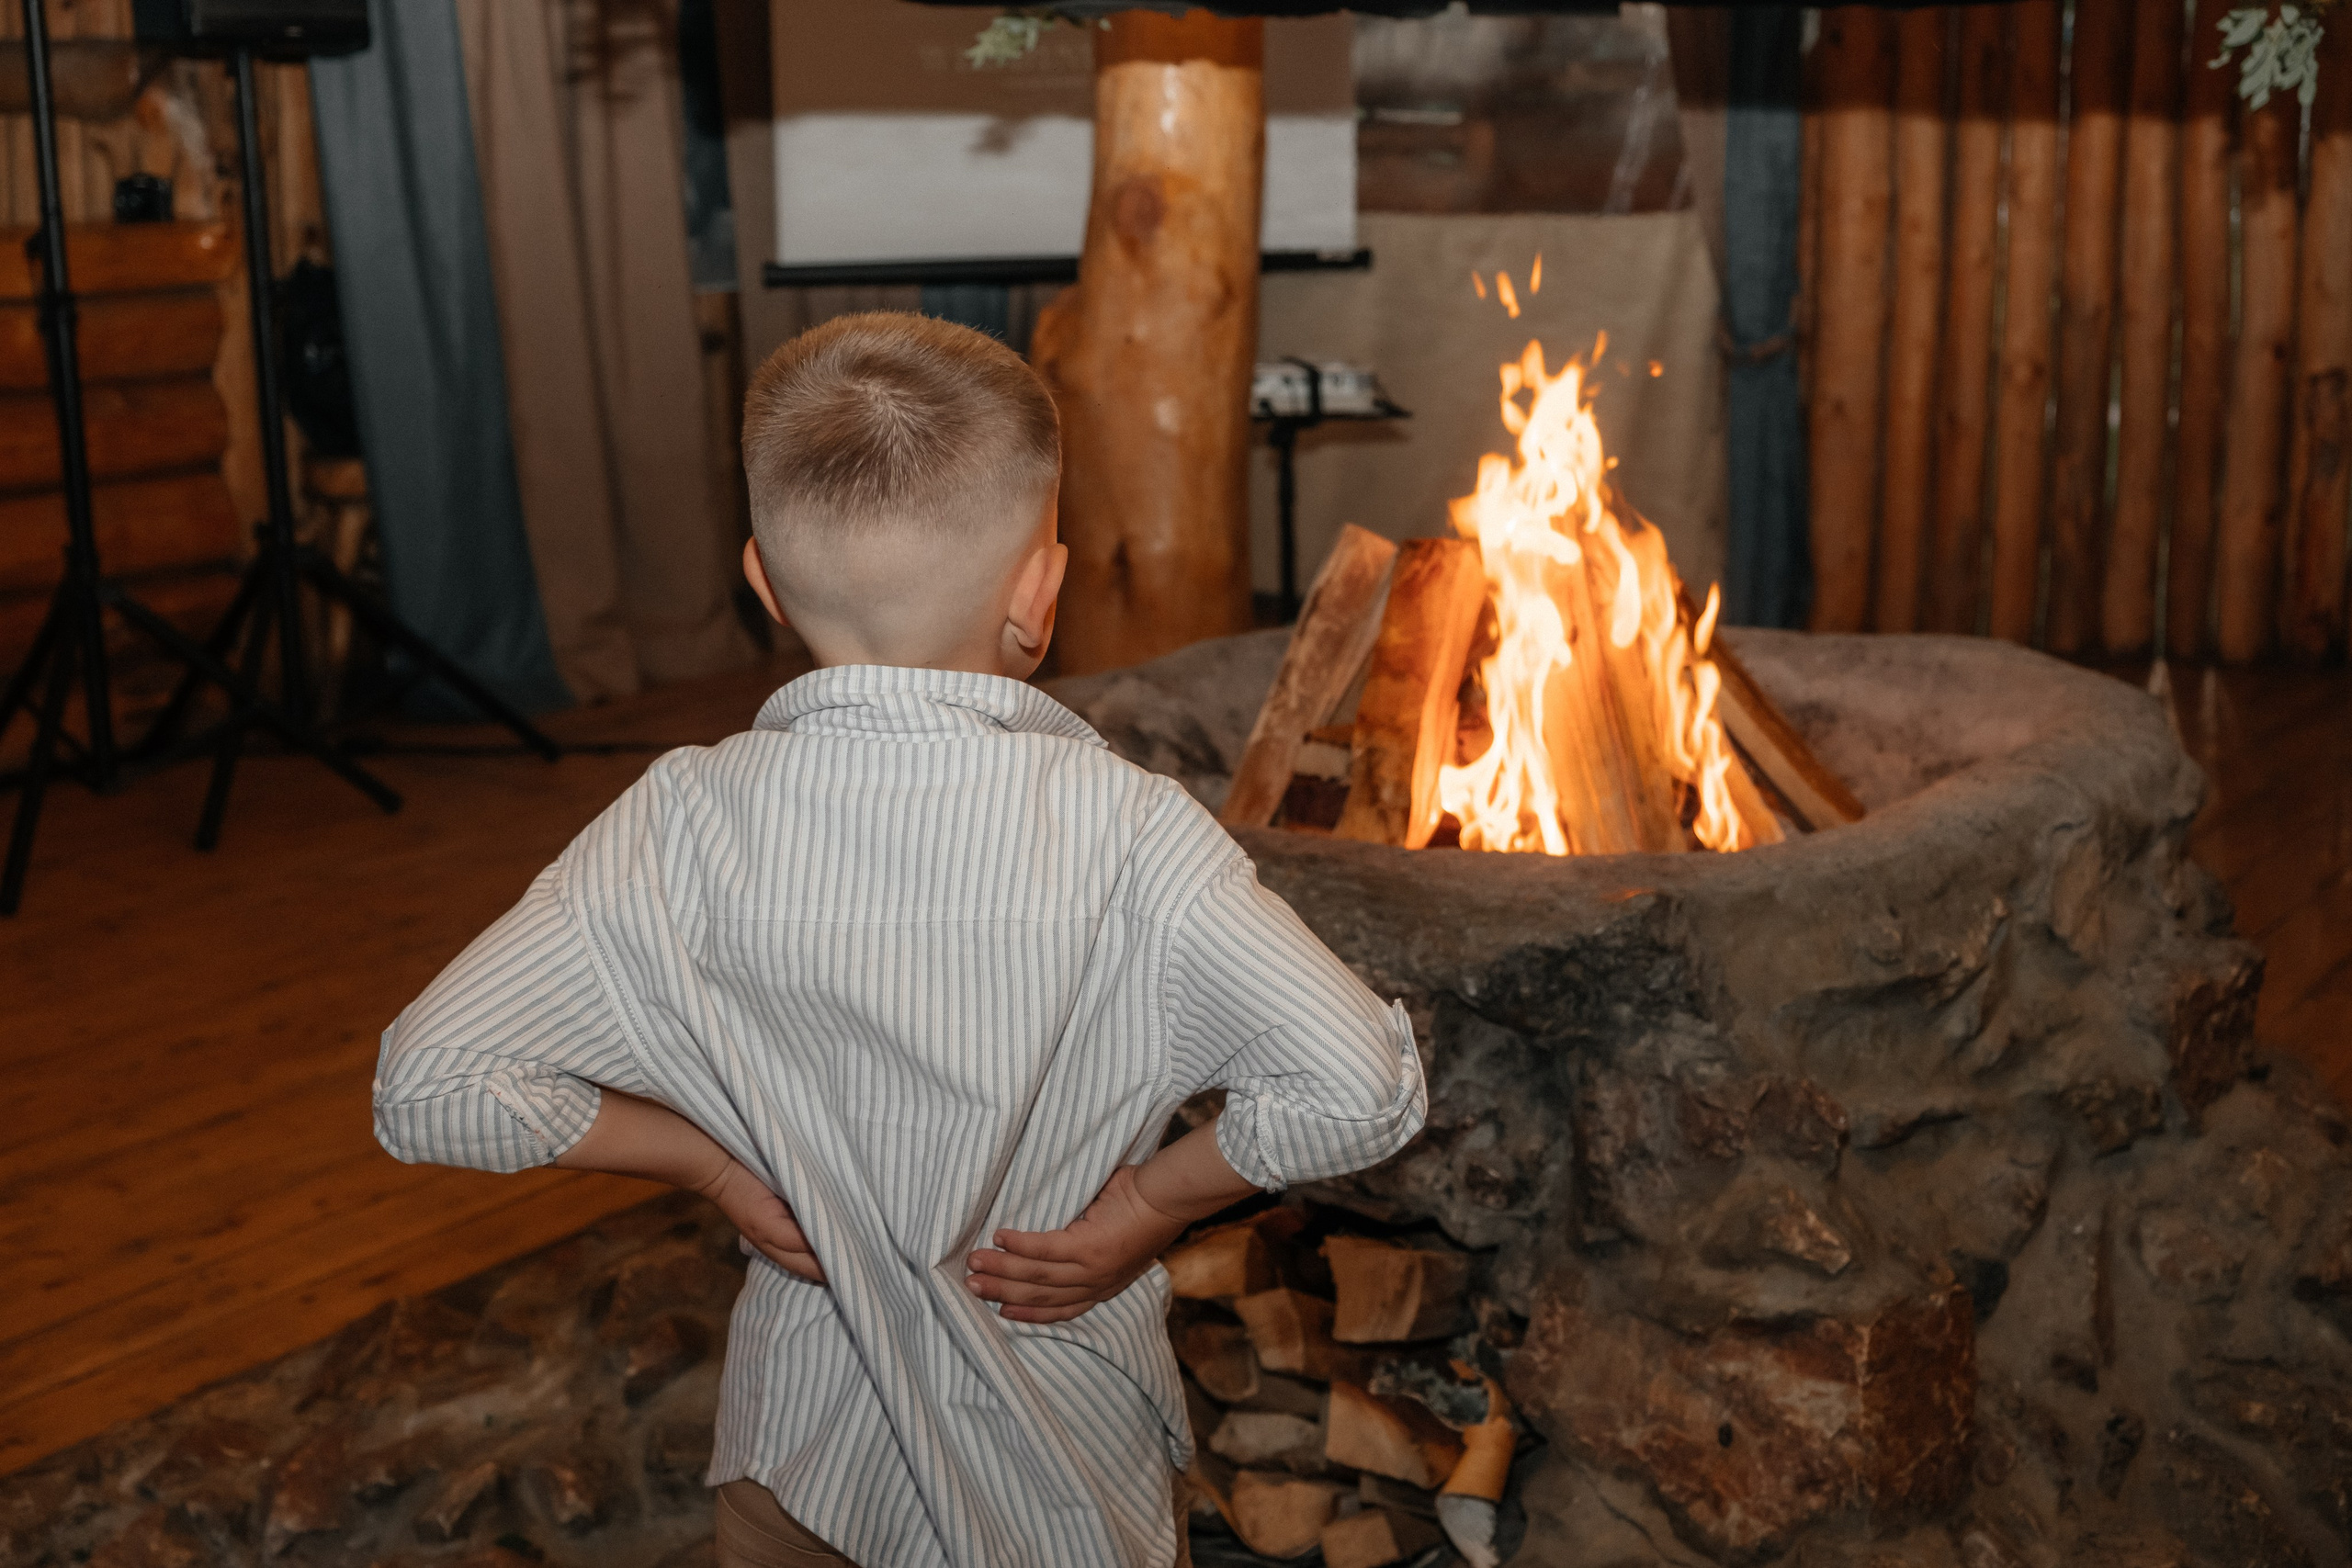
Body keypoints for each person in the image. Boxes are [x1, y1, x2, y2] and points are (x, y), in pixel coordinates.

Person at [372, 312, 1426, 1568]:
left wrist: (712, 1167)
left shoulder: (679, 824)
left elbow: (430, 1085)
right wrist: (1151, 1203)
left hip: (802, 1464)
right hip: (1062, 1478)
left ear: (762, 583)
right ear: (1040, 594)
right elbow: (1358, 1090)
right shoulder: (1131, 830)